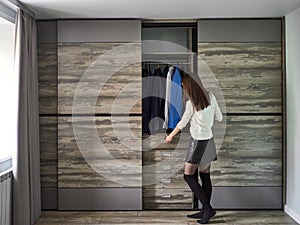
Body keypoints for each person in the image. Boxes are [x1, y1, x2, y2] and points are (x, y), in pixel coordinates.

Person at [164, 72, 223, 224]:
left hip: (198, 142)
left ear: (189, 86)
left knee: (188, 176)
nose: (183, 88)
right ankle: (205, 211)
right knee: (205, 176)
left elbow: (183, 122)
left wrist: (170, 136)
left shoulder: (192, 103)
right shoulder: (210, 96)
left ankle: (208, 209)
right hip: (209, 141)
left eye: (183, 86)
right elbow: (220, 117)